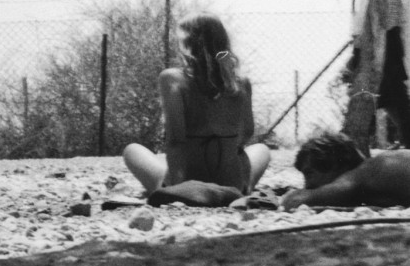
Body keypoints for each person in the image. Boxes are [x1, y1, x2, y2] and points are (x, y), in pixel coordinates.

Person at [122, 14, 270, 204]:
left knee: (132, 150)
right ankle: (243, 187)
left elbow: (176, 139)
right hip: (232, 187)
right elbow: (247, 133)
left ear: (187, 43)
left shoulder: (172, 79)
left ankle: (181, 183)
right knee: (261, 150)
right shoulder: (241, 83)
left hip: (189, 185)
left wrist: (177, 188)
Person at [344, 0, 410, 147]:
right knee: (396, 105)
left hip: (383, 58)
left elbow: (378, 31)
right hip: (388, 56)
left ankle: (354, 146)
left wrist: (356, 61)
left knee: (366, 102)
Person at [282, 130, 410, 208]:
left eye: (309, 174)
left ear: (337, 165)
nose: (307, 185)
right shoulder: (375, 173)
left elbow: (297, 200)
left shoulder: (366, 172)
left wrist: (297, 196)